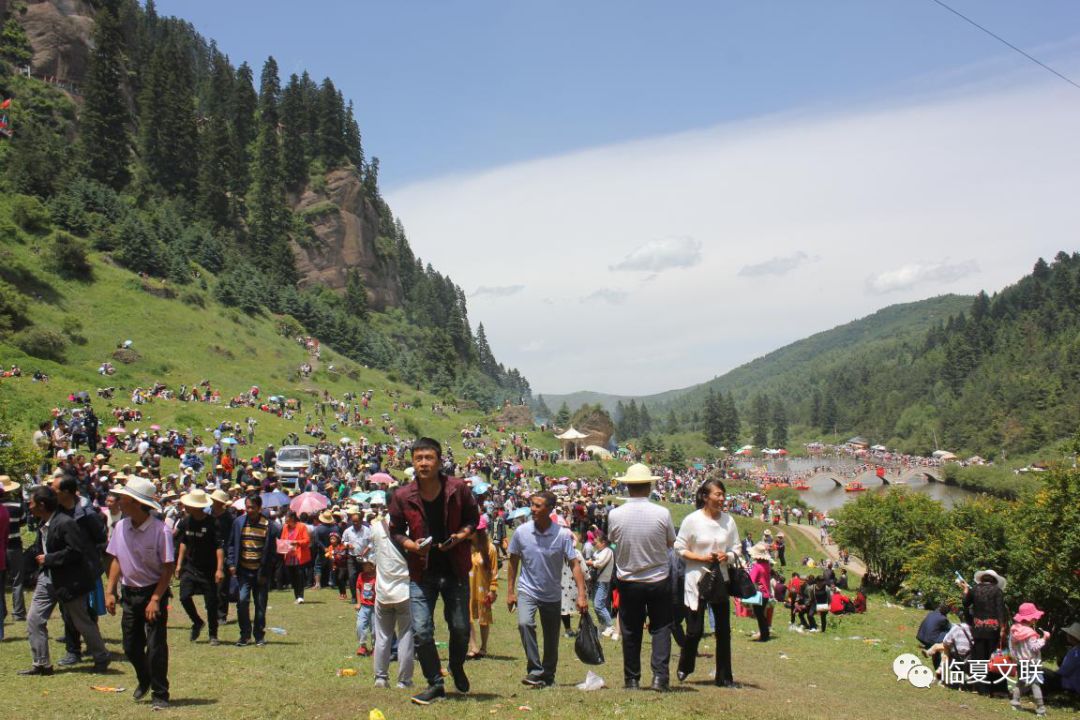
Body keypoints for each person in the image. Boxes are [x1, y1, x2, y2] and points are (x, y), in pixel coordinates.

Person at [388, 437, 479, 705]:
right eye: (419, 458)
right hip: (421, 572)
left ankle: (456, 665)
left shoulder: (458, 488)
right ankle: (435, 683)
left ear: (439, 460)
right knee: (422, 631)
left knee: (461, 628)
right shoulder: (403, 495)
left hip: (455, 568)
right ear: (412, 462)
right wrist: (410, 545)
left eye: (429, 458)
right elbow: (394, 530)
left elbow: (473, 519)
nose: (424, 463)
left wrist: (460, 536)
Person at [21, 485, 111, 676]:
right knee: (34, 619)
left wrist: (49, 559)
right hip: (48, 578)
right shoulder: (43, 524)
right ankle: (41, 664)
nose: (29, 507)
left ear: (42, 505)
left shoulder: (65, 523)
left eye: (31, 503)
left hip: (69, 580)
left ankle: (101, 657)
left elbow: (76, 551)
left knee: (81, 621)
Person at [105, 477, 175, 709]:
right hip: (130, 592)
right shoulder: (121, 527)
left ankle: (160, 693)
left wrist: (155, 599)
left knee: (155, 645)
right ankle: (144, 677)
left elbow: (168, 568)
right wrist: (110, 590)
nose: (118, 501)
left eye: (123, 498)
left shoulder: (160, 530)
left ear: (135, 502)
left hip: (153, 592)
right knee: (130, 646)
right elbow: (115, 558)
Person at [506, 491, 588, 688]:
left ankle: (548, 675)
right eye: (532, 504)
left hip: (552, 593)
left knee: (551, 638)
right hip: (528, 590)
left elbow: (574, 564)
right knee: (525, 624)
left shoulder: (561, 535)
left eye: (537, 506)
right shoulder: (522, 532)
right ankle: (535, 670)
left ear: (550, 509)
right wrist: (510, 591)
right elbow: (513, 561)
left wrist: (582, 594)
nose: (533, 509)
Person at [607, 463, 676, 691]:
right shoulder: (662, 513)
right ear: (649, 487)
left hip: (629, 579)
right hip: (658, 578)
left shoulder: (615, 514)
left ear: (628, 487)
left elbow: (612, 539)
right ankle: (660, 678)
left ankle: (632, 679)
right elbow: (669, 543)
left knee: (630, 630)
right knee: (660, 627)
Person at [674, 477, 740, 685]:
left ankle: (724, 676)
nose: (721, 499)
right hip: (696, 578)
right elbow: (679, 547)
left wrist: (726, 556)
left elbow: (736, 548)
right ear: (705, 496)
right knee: (695, 629)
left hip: (720, 578)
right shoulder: (692, 520)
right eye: (717, 494)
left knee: (723, 629)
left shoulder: (728, 521)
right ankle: (685, 664)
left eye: (723, 495)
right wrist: (700, 558)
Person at [371, 494, 415, 689]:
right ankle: (404, 681)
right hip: (404, 589)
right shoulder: (410, 529)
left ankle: (380, 677)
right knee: (406, 634)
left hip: (382, 590)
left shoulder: (375, 527)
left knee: (382, 635)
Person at [228, 493, 279, 647]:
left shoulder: (269, 526)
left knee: (260, 605)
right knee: (242, 600)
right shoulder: (238, 523)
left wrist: (267, 572)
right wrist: (231, 563)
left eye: (252, 507)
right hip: (243, 570)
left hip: (260, 572)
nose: (249, 510)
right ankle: (245, 635)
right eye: (247, 507)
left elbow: (272, 552)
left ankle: (259, 635)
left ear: (259, 507)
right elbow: (231, 545)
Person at [175, 488, 225, 645]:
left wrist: (219, 569)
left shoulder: (212, 523)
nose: (186, 507)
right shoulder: (186, 521)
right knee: (184, 596)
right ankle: (197, 621)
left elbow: (219, 547)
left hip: (208, 569)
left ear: (197, 506)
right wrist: (179, 564)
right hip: (190, 567)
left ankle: (213, 635)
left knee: (211, 603)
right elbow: (183, 542)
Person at [960, 569, 1008, 694]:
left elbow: (965, 603)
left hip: (978, 628)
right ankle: (997, 688)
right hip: (993, 629)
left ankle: (982, 688)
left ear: (982, 578)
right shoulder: (997, 591)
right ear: (994, 580)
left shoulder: (974, 589)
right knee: (994, 658)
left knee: (979, 658)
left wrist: (965, 590)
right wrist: (1003, 628)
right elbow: (1000, 610)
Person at [1009, 602, 1049, 716]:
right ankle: (1041, 709)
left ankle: (1015, 702)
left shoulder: (1015, 630)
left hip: (1021, 661)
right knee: (1035, 683)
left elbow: (1012, 647)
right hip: (1032, 662)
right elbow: (1034, 647)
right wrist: (1044, 638)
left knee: (1021, 682)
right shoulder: (1031, 633)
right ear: (1031, 619)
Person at [467, 516, 499, 659]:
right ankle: (472, 647)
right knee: (468, 617)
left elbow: (494, 571)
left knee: (483, 618)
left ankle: (484, 647)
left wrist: (493, 590)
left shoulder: (490, 549)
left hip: (483, 589)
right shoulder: (466, 547)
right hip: (467, 587)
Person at [2, 475, 26, 631]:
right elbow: (23, 521)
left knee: (1, 583)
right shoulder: (17, 505)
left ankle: (2, 612)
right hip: (15, 545)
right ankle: (18, 612)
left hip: (1, 548)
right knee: (17, 580)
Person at [209, 489, 235, 625]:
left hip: (224, 554)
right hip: (210, 553)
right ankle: (212, 612)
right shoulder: (209, 515)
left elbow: (232, 538)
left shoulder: (229, 518)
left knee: (222, 587)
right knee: (211, 586)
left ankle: (221, 615)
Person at [279, 511, 311, 604]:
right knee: (292, 577)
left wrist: (296, 542)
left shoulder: (301, 526)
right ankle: (297, 596)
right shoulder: (285, 527)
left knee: (299, 576)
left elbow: (307, 540)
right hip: (289, 556)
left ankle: (301, 596)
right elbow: (282, 539)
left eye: (287, 517)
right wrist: (283, 543)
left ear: (292, 518)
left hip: (299, 556)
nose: (285, 519)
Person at [586, 533, 615, 636]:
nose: (594, 543)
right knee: (595, 605)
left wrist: (589, 562)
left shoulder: (608, 551)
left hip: (603, 582)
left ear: (603, 542)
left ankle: (610, 626)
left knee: (599, 605)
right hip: (595, 581)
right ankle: (603, 625)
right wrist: (591, 561)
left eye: (596, 542)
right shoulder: (598, 551)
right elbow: (593, 560)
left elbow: (599, 563)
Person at [1043, 621, 1080, 696]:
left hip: (1071, 684)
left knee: (1042, 672)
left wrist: (1052, 672)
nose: (1067, 635)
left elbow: (1065, 672)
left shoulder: (1074, 652)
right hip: (1075, 682)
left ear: (1073, 636)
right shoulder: (1076, 650)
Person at [342, 510, 372, 603]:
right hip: (352, 557)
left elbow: (372, 542)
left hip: (365, 558)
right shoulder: (348, 530)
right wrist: (347, 545)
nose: (355, 523)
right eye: (353, 521)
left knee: (365, 577)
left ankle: (365, 596)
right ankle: (354, 596)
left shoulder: (367, 530)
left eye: (356, 521)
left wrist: (366, 550)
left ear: (361, 521)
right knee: (352, 577)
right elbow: (343, 541)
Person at [748, 542, 773, 641]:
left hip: (759, 594)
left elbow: (751, 579)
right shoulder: (767, 565)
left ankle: (764, 636)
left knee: (759, 616)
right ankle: (765, 634)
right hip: (766, 594)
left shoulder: (757, 566)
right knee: (762, 615)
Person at [916, 603, 952, 672]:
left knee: (939, 631)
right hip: (930, 640)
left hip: (921, 636)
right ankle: (936, 649)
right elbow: (949, 628)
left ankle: (928, 647)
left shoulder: (931, 613)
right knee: (949, 632)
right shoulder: (943, 619)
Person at [355, 559, 377, 655]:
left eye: (365, 564)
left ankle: (375, 647)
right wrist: (359, 603)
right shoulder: (361, 575)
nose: (363, 566)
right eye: (363, 564)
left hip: (375, 608)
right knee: (360, 626)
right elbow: (358, 588)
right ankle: (363, 647)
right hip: (364, 607)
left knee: (375, 629)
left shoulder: (378, 576)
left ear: (372, 566)